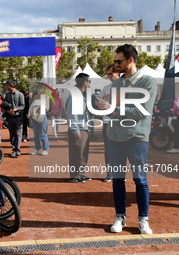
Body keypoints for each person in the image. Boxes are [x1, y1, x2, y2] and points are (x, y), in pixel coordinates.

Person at [97, 44, 157, 235]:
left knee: (140, 180)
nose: (115, 65)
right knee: (118, 179)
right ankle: (120, 216)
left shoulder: (147, 82)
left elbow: (142, 111)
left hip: (136, 137)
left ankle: (143, 219)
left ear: (130, 60)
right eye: (115, 61)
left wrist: (114, 108)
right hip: (114, 137)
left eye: (118, 61)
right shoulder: (116, 84)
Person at [66, 73, 92, 183]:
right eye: (89, 81)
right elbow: (72, 114)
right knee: (76, 153)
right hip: (79, 128)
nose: (89, 83)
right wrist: (75, 130)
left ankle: (80, 173)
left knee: (83, 153)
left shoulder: (82, 95)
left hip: (84, 127)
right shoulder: (75, 96)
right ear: (84, 82)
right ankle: (74, 176)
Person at [101, 63, 120, 182]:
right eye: (108, 74)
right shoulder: (105, 88)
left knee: (121, 149)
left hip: (119, 122)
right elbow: (103, 103)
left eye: (111, 73)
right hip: (107, 121)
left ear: (117, 72)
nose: (109, 76)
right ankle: (110, 172)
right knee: (108, 149)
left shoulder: (124, 86)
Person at [2, 80, 25, 157]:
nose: (7, 86)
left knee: (18, 133)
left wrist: (14, 109)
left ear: (12, 85)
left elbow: (22, 106)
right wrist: (8, 111)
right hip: (10, 117)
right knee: (12, 134)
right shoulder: (7, 95)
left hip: (18, 117)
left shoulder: (20, 95)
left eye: (8, 85)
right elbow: (4, 104)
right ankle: (14, 148)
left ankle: (17, 149)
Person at [29, 85, 50, 156]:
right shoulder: (35, 96)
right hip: (35, 116)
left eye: (38, 88)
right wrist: (32, 114)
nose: (37, 89)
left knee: (43, 133)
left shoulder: (47, 96)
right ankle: (37, 149)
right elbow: (32, 106)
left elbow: (46, 108)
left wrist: (38, 108)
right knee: (36, 134)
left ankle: (45, 149)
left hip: (42, 116)